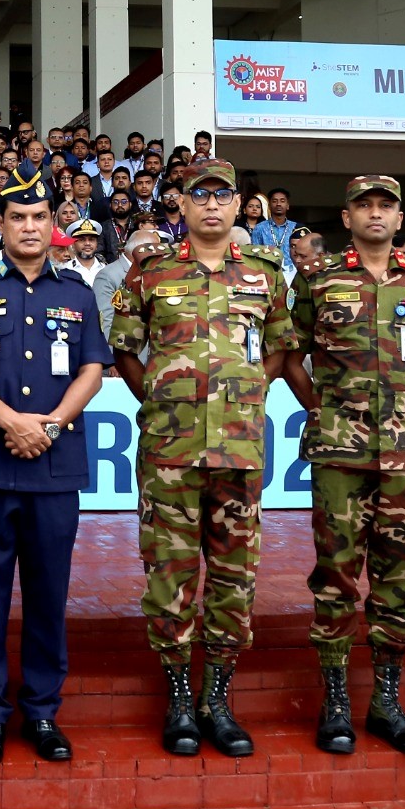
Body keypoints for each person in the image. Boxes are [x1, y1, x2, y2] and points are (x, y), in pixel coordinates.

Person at [108, 158, 296, 758]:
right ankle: (180, 700)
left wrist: (248, 394)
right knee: (169, 573)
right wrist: (160, 399)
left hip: (239, 450)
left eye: (222, 196)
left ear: (238, 206)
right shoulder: (149, 272)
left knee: (235, 577)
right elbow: (125, 349)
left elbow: (279, 349)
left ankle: (218, 698)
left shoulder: (266, 274)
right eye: (200, 195)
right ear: (182, 205)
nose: (211, 205)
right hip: (170, 450)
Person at [0, 163, 107, 766]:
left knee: (48, 593)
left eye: (39, 216)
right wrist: (12, 421)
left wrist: (50, 425)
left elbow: (93, 369)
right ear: (1, 225)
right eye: (18, 217)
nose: (29, 227)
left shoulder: (78, 294)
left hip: (54, 468)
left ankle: (41, 710)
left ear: (53, 223)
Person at [280, 176, 405, 757]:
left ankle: (386, 702)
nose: (375, 213)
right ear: (346, 217)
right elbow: (290, 354)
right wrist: (322, 408)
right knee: (336, 572)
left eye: (386, 206)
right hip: (338, 452)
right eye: (364, 205)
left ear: (399, 219)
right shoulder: (317, 280)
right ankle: (335, 703)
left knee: (400, 573)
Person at [251, 188, 298, 273]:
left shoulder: (296, 227)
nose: (278, 204)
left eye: (282, 201)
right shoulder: (259, 228)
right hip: (267, 272)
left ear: (287, 205)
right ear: (269, 206)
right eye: (274, 201)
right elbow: (255, 254)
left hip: (292, 272)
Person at [64, 219, 104, 286]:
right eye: (82, 240)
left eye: (91, 240)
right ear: (73, 245)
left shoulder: (105, 268)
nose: (87, 243)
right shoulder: (66, 269)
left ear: (97, 244)